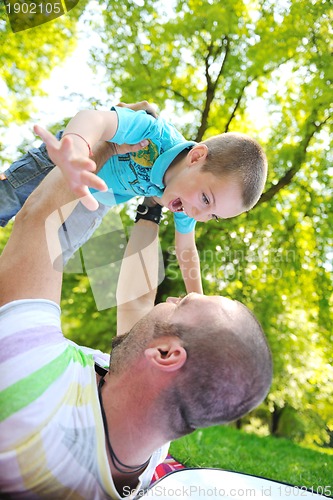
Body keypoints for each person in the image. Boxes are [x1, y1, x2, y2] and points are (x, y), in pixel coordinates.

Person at [0, 161, 273, 498]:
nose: (171, 297)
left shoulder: (34, 390)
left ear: (166, 354)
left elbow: (41, 222)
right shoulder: (153, 437)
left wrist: (104, 145)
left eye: (182, 304)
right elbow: (137, 304)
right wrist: (151, 210)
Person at [0, 101, 268, 295]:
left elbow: (187, 249)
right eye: (206, 201)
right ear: (196, 158)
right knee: (7, 199)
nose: (199, 215)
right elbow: (95, 119)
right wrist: (78, 151)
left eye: (213, 216)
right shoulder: (154, 134)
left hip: (96, 199)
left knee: (49, 258)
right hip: (73, 158)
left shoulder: (187, 199)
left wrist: (197, 297)